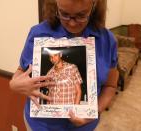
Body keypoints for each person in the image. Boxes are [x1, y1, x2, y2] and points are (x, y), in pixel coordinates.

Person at [9, 0, 119, 130]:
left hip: (84, 127)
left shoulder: (107, 40)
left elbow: (110, 86)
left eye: (81, 15)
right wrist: (14, 84)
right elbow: (21, 70)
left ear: (93, 6)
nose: (72, 23)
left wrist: (94, 112)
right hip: (40, 126)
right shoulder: (38, 33)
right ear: (55, 5)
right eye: (64, 14)